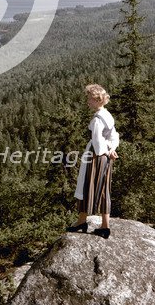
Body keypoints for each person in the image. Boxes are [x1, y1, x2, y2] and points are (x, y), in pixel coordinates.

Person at [67, 83, 119, 238]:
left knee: (86, 185)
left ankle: (82, 221)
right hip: (106, 155)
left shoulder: (97, 119)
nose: (88, 101)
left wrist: (101, 153)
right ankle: (105, 226)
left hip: (96, 155)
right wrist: (111, 149)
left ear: (97, 100)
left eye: (90, 99)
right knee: (104, 189)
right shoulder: (107, 115)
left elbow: (96, 141)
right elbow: (114, 136)